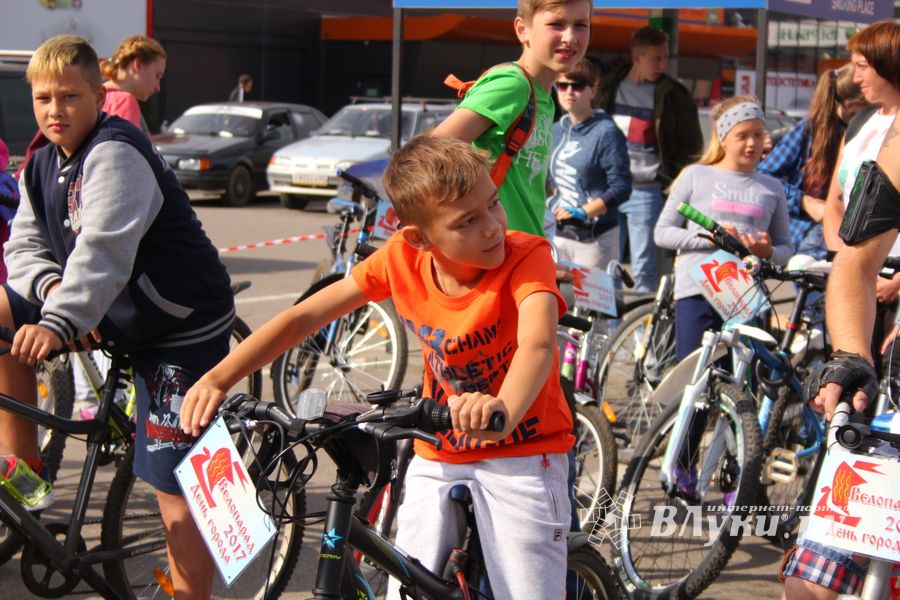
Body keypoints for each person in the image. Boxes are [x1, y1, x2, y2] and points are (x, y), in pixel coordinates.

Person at [181, 134, 574, 599]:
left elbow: (537, 344)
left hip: (524, 450)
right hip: (441, 448)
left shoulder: (526, 255)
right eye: (467, 221)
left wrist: (503, 408)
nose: (492, 227)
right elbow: (303, 316)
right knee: (404, 583)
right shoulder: (400, 259)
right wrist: (218, 378)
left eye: (493, 205)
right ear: (420, 238)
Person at [2, 35, 234, 598]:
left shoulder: (115, 151)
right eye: (43, 98)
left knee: (173, 492)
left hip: (177, 323)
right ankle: (24, 475)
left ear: (98, 96)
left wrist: (59, 321)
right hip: (109, 305)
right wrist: (54, 292)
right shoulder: (39, 163)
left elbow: (103, 250)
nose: (55, 110)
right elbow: (23, 248)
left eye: (69, 96)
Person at [783, 22, 900, 600]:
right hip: (894, 400)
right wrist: (851, 355)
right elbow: (854, 262)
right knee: (811, 582)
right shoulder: (894, 138)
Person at [654, 96, 791, 502]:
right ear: (724, 137)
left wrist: (766, 252)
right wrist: (710, 238)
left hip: (746, 298)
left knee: (743, 389)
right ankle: (683, 462)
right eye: (742, 135)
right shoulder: (696, 176)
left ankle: (735, 474)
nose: (751, 143)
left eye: (758, 135)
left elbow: (784, 247)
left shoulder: (772, 187)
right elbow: (663, 232)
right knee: (698, 382)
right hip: (698, 290)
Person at [432, 0, 592, 238]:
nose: (570, 37)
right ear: (522, 30)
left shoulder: (543, 96)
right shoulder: (514, 84)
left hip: (519, 253)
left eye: (581, 25)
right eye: (556, 24)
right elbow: (429, 152)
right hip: (495, 254)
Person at [597, 26, 703, 292]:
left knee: (645, 269)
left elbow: (691, 148)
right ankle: (610, 330)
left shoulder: (674, 95)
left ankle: (643, 330)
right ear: (637, 57)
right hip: (608, 188)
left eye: (665, 57)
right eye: (656, 58)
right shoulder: (609, 86)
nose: (662, 64)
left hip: (646, 191)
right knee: (606, 265)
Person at [820, 21, 900, 377]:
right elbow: (836, 198)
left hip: (893, 273)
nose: (854, 77)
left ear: (890, 63)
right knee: (849, 383)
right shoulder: (861, 121)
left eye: (863, 66)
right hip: (856, 262)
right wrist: (846, 262)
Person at [759, 63, 866, 261]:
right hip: (809, 236)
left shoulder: (871, 131)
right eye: (868, 105)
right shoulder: (810, 130)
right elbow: (763, 176)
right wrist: (805, 202)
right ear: (851, 104)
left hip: (852, 237)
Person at [548, 58, 631, 270]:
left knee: (591, 304)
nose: (569, 92)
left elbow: (621, 188)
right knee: (557, 302)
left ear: (593, 90)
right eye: (562, 85)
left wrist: (583, 212)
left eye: (577, 86)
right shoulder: (556, 129)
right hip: (557, 234)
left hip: (594, 239)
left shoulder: (606, 131)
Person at [99, 34, 167, 134]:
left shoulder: (99, 97)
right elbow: (127, 148)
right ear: (138, 65)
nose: (158, 88)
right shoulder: (123, 101)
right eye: (157, 76)